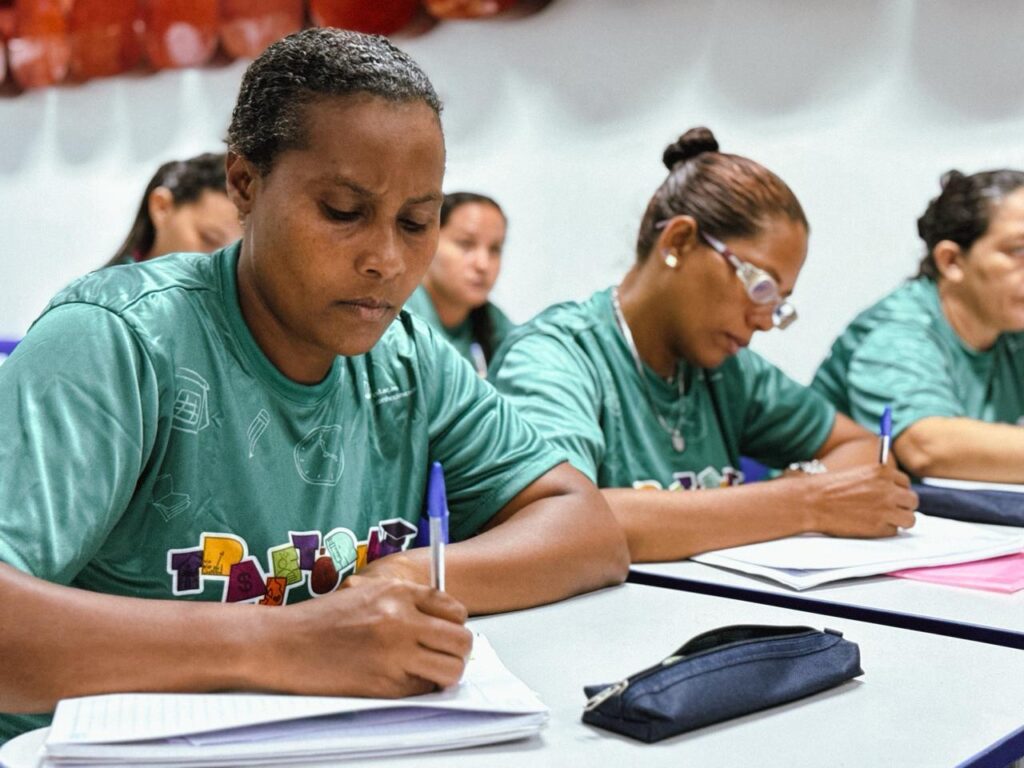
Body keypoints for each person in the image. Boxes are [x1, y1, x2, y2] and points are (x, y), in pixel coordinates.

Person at [0, 28, 629, 742]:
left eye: (416, 222)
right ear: (244, 183)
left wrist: (402, 579)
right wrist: (289, 641)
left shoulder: (406, 357)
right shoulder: (119, 340)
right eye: (342, 212)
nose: (386, 259)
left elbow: (585, 527)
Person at [489, 127, 917, 564]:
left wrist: (805, 489)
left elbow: (863, 449)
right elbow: (563, 521)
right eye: (761, 286)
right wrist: (805, 502)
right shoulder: (554, 357)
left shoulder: (729, 370)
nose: (765, 321)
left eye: (779, 304)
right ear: (678, 242)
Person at [812, 169, 1024, 482]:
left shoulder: (1011, 325)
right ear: (951, 261)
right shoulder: (896, 332)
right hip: (811, 506)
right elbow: (927, 447)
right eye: (1018, 250)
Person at [405, 192, 513, 374]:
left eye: (495, 249)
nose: (483, 264)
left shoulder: (490, 320)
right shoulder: (397, 316)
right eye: (466, 244)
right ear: (428, 242)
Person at [101, 152, 242, 268]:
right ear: (161, 207)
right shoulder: (104, 291)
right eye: (209, 239)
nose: (220, 263)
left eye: (236, 253)